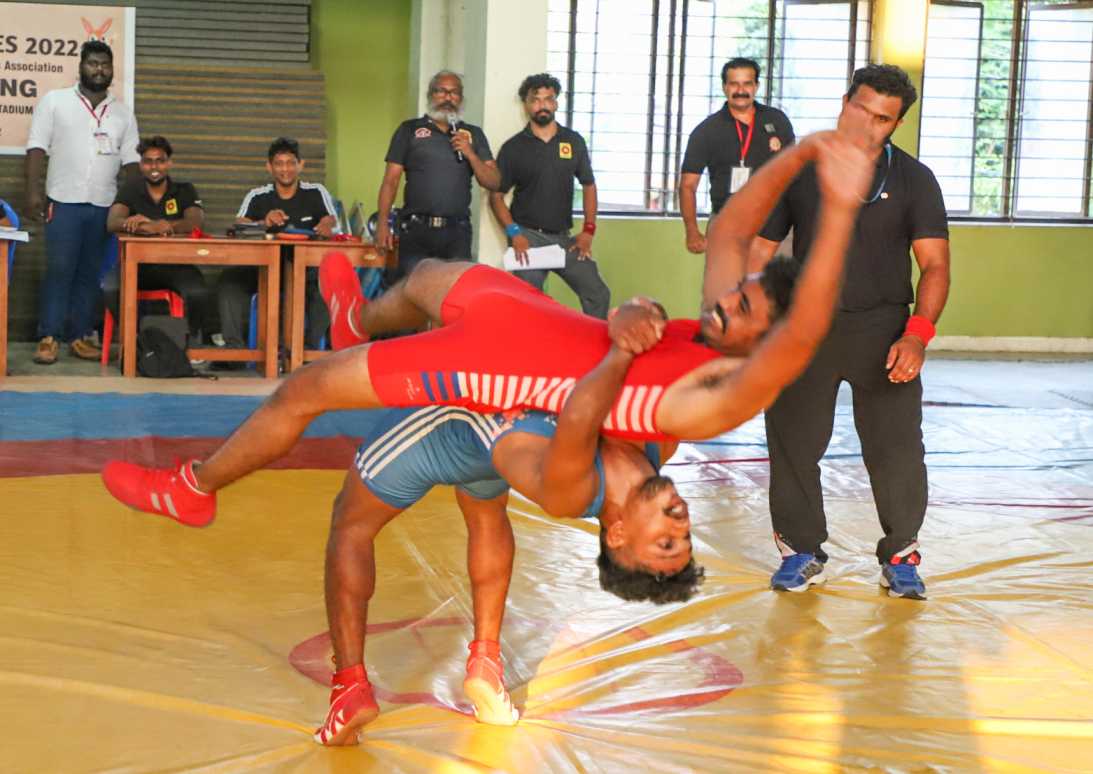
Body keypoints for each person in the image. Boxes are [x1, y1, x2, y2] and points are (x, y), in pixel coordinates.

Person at [100, 125, 875, 592]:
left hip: (497, 366)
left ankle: (194, 488)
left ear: (759, 348)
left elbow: (798, 337)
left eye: (742, 311)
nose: (723, 303)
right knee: (427, 279)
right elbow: (732, 228)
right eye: (736, 296)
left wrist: (839, 206)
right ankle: (357, 318)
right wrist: (807, 151)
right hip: (533, 318)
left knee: (304, 388)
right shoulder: (706, 335)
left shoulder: (710, 401)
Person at [314, 304, 690, 744]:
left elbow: (584, 406)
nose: (681, 522)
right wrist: (646, 320)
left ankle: (350, 686)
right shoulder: (657, 448)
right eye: (685, 536)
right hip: (498, 442)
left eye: (666, 541)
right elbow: (662, 360)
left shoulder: (573, 485)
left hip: (459, 424)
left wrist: (624, 338)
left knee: (351, 524)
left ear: (619, 534)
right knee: (486, 505)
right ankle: (486, 662)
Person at [749, 64, 951, 600]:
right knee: (793, 443)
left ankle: (901, 553)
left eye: (882, 118)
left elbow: (934, 265)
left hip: (884, 331)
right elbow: (761, 249)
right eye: (860, 109)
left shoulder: (914, 180)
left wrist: (917, 335)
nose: (867, 123)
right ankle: (802, 551)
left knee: (896, 448)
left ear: (896, 125)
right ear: (845, 103)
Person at [25, 39, 139, 364]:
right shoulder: (55, 101)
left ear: (112, 69)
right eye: (93, 63)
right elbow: (36, 147)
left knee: (90, 274)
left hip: (104, 206)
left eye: (105, 64)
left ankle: (78, 336)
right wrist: (33, 192)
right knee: (60, 269)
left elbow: (132, 163)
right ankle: (49, 337)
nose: (99, 69)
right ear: (81, 67)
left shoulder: (122, 114)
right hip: (63, 201)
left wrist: (130, 205)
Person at [489, 73, 609, 318]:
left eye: (548, 99)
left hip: (564, 239)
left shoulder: (573, 141)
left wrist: (588, 230)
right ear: (526, 105)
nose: (541, 105)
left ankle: (592, 341)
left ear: (555, 103)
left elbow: (589, 185)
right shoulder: (513, 148)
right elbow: (496, 197)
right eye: (535, 100)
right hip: (528, 239)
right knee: (530, 304)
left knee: (597, 294)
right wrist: (514, 233)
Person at [217, 137, 339, 359]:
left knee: (324, 287)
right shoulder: (257, 195)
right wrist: (263, 222)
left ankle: (307, 353)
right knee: (228, 283)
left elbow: (331, 220)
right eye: (279, 164)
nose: (285, 169)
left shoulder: (316, 192)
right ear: (269, 167)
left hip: (305, 271)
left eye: (291, 163)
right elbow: (238, 227)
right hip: (262, 270)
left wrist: (326, 224)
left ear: (301, 165)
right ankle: (234, 352)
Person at [375, 70, 500, 283]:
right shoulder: (409, 130)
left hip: (457, 233)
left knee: (454, 293)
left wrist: (470, 153)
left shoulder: (473, 134)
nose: (448, 98)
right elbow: (390, 181)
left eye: (454, 92)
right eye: (441, 91)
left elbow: (494, 181)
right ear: (430, 95)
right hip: (416, 230)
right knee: (411, 292)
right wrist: (382, 223)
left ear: (461, 98)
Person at [678, 57, 795, 255]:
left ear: (756, 86)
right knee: (726, 276)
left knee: (779, 276)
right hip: (727, 223)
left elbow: (795, 171)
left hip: (776, 224)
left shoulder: (777, 120)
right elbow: (688, 186)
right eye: (734, 84)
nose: (741, 90)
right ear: (724, 87)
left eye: (747, 83)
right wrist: (692, 231)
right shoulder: (707, 131)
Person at [101, 136, 210, 344]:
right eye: (148, 161)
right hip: (136, 266)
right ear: (141, 164)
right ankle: (135, 341)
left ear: (169, 163)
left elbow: (195, 222)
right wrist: (147, 227)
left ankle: (191, 343)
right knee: (111, 288)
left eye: (160, 161)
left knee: (198, 292)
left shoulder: (184, 190)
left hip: (176, 266)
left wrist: (163, 225)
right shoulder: (131, 190)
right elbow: (113, 222)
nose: (154, 167)